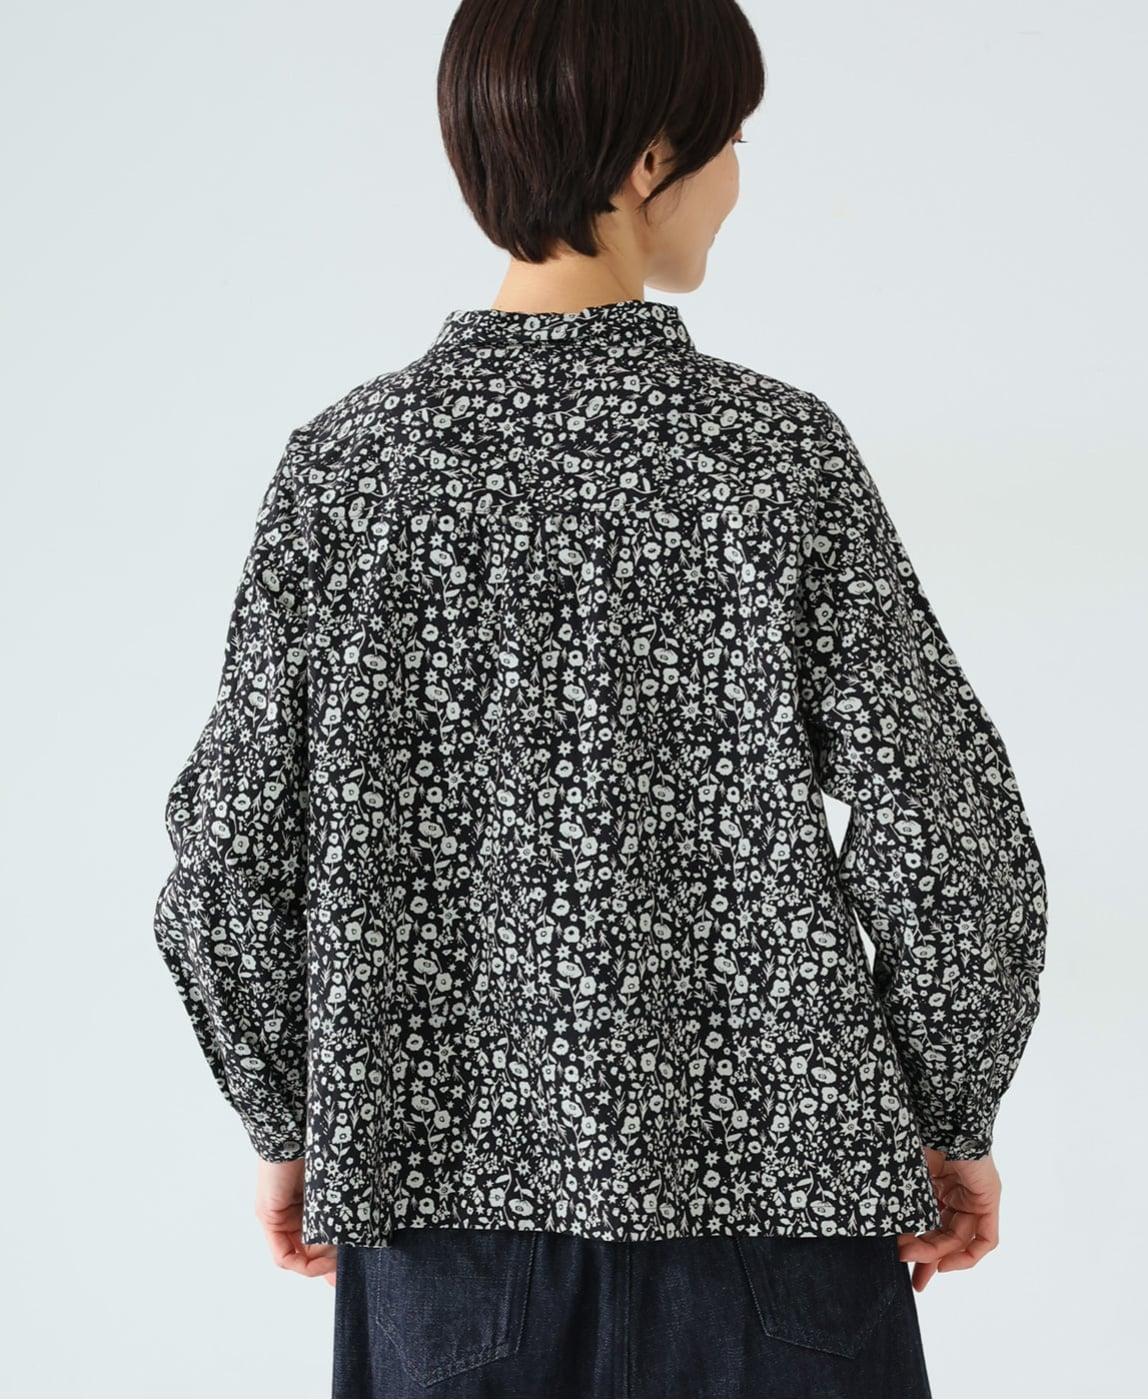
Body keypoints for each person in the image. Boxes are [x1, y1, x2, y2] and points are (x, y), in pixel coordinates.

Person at [152, 0, 1049, 1395]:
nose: (737, 179)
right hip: (782, 1218)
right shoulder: (770, 456)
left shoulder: (348, 472)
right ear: (648, 162)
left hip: (445, 1224)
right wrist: (949, 1112)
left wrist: (289, 1119)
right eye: (731, 140)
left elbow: (227, 861)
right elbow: (949, 838)